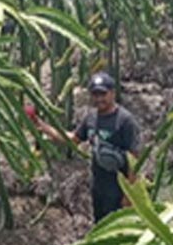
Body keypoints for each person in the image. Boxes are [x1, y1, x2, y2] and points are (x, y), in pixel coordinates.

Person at [30, 71, 141, 223]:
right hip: (99, 185)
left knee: (117, 231)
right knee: (100, 226)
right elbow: (73, 139)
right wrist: (44, 127)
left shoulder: (124, 120)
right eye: (95, 94)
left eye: (103, 94)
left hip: (119, 189)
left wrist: (129, 196)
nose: (99, 98)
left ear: (113, 93)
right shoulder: (91, 118)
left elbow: (134, 160)